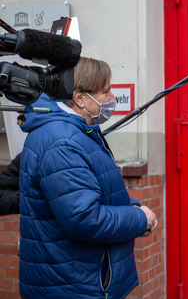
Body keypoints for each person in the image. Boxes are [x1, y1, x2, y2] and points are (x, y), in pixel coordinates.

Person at [19, 57, 158, 299]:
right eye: (105, 91)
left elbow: (93, 194)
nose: (112, 98)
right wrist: (138, 219)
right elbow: (84, 219)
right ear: (79, 98)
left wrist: (135, 210)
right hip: (74, 287)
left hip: (80, 282)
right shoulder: (62, 142)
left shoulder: (76, 133)